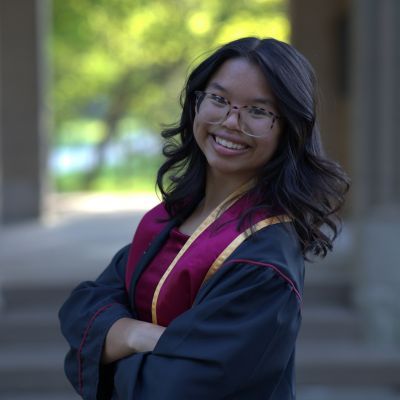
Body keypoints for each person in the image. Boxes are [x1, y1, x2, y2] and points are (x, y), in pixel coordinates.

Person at [59, 37, 349, 399]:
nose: (231, 122)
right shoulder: (169, 218)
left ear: (288, 128)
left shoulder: (263, 259)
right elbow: (81, 307)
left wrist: (107, 346)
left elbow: (171, 388)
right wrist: (137, 335)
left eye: (258, 111)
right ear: (197, 102)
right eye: (219, 99)